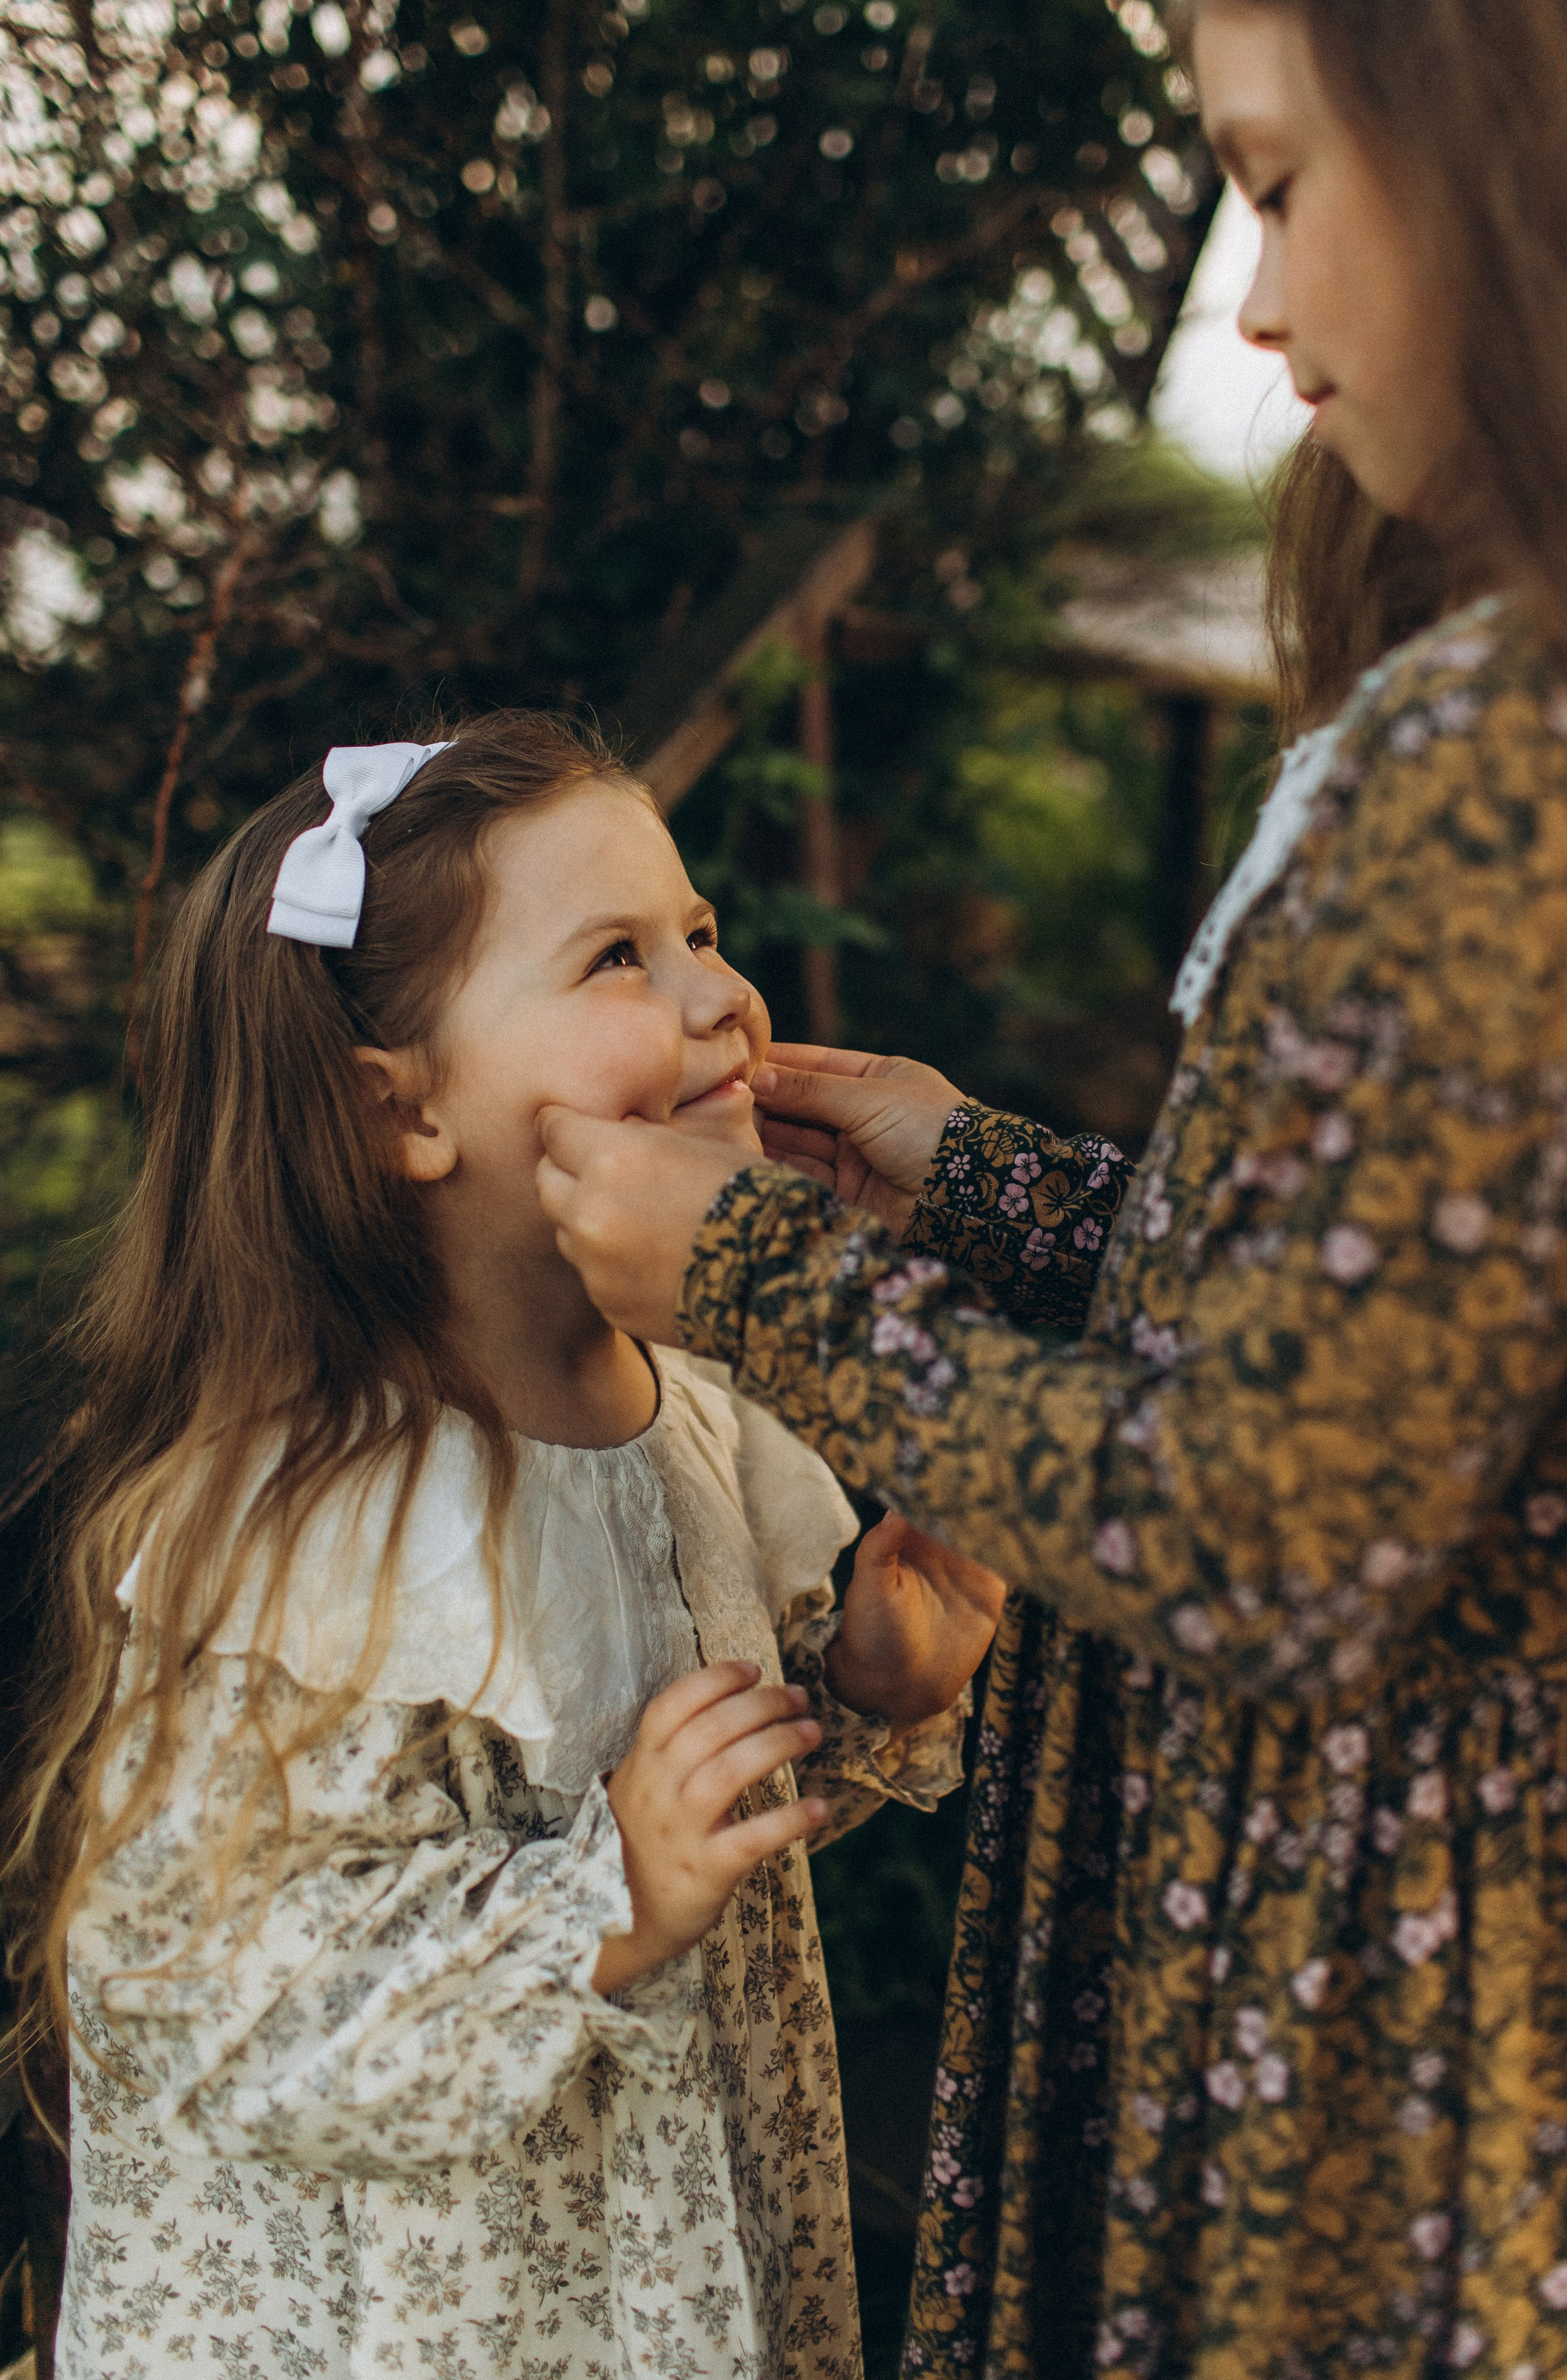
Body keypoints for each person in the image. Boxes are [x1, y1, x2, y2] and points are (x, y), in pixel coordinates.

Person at [531, 0, 1567, 2372]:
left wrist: (751, 1278)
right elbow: (1394, 1315)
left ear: (1503, 144)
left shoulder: (1520, 758)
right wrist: (992, 1183)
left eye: (1279, 185)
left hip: (1410, 2005)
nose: (1254, 305)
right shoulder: (1543, 709)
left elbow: (1272, 1522)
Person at [8, 716, 1005, 2380]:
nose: (718, 998)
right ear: (395, 1110)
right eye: (618, 957)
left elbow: (673, 1817)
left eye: (697, 931)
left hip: (668, 2278)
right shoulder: (302, 1532)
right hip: (413, 2322)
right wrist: (602, 1905)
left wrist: (856, 1688)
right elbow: (232, 2024)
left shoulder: (698, 1420)